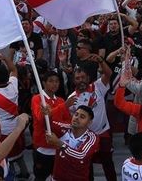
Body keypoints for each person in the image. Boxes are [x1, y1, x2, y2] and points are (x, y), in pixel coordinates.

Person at [68, 53, 116, 181]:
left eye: (83, 77)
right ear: (74, 81)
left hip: (103, 132)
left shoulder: (98, 86)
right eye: (77, 78)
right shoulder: (71, 99)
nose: (81, 80)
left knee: (108, 163)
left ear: (88, 78)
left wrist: (101, 61)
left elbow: (109, 73)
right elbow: (72, 122)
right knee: (87, 165)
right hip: (86, 138)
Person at [0, 54, 27, 178]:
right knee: (18, 152)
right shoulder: (13, 85)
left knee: (6, 156)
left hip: (3, 130)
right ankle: (25, 172)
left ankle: (10, 176)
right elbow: (14, 69)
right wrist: (5, 58)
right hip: (16, 125)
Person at [31, 71, 70, 181]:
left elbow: (68, 121)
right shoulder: (37, 99)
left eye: (57, 81)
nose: (55, 84)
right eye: (51, 81)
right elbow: (40, 118)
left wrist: (56, 117)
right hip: (42, 148)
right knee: (40, 177)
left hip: (58, 147)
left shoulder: (61, 100)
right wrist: (62, 108)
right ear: (44, 83)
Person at [44, 105, 100, 181]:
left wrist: (59, 144)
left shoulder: (92, 137)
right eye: (76, 114)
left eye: (82, 117)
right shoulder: (64, 127)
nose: (77, 118)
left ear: (89, 122)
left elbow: (80, 155)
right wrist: (47, 115)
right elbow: (48, 124)